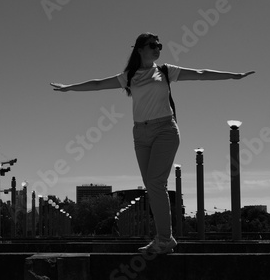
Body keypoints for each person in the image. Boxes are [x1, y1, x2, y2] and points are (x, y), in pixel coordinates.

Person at [50, 32, 254, 254]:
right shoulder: (129, 76)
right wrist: (69, 87)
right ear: (139, 49)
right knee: (153, 186)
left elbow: (199, 73)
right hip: (140, 134)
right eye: (152, 45)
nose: (157, 48)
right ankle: (163, 238)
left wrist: (233, 76)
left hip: (165, 130)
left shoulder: (165, 71)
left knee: (156, 184)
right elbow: (98, 84)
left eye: (160, 45)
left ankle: (164, 239)